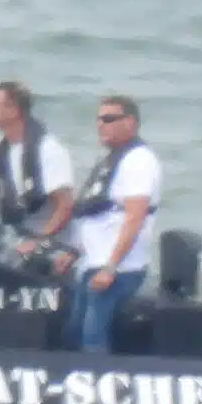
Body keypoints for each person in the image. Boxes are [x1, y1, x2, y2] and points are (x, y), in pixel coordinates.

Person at [65, 95, 161, 352]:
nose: (100, 125)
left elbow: (134, 218)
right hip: (92, 262)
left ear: (130, 122)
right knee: (75, 331)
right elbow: (94, 211)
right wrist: (74, 251)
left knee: (93, 335)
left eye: (108, 119)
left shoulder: (139, 161)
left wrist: (111, 267)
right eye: (99, 119)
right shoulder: (110, 160)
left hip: (119, 267)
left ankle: (99, 374)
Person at [0, 80, 77, 262]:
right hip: (17, 237)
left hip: (53, 243)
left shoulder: (50, 150)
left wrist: (39, 240)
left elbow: (65, 206)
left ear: (14, 110)